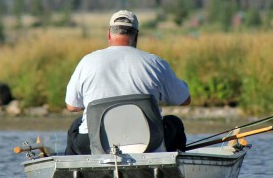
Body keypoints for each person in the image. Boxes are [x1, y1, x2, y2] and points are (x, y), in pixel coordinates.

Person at [65, 9, 191, 155]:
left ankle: (73, 174)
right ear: (136, 36)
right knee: (174, 123)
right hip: (148, 142)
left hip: (94, 141)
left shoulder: (87, 62)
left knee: (76, 126)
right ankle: (170, 172)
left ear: (109, 34)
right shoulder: (155, 63)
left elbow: (72, 106)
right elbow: (184, 100)